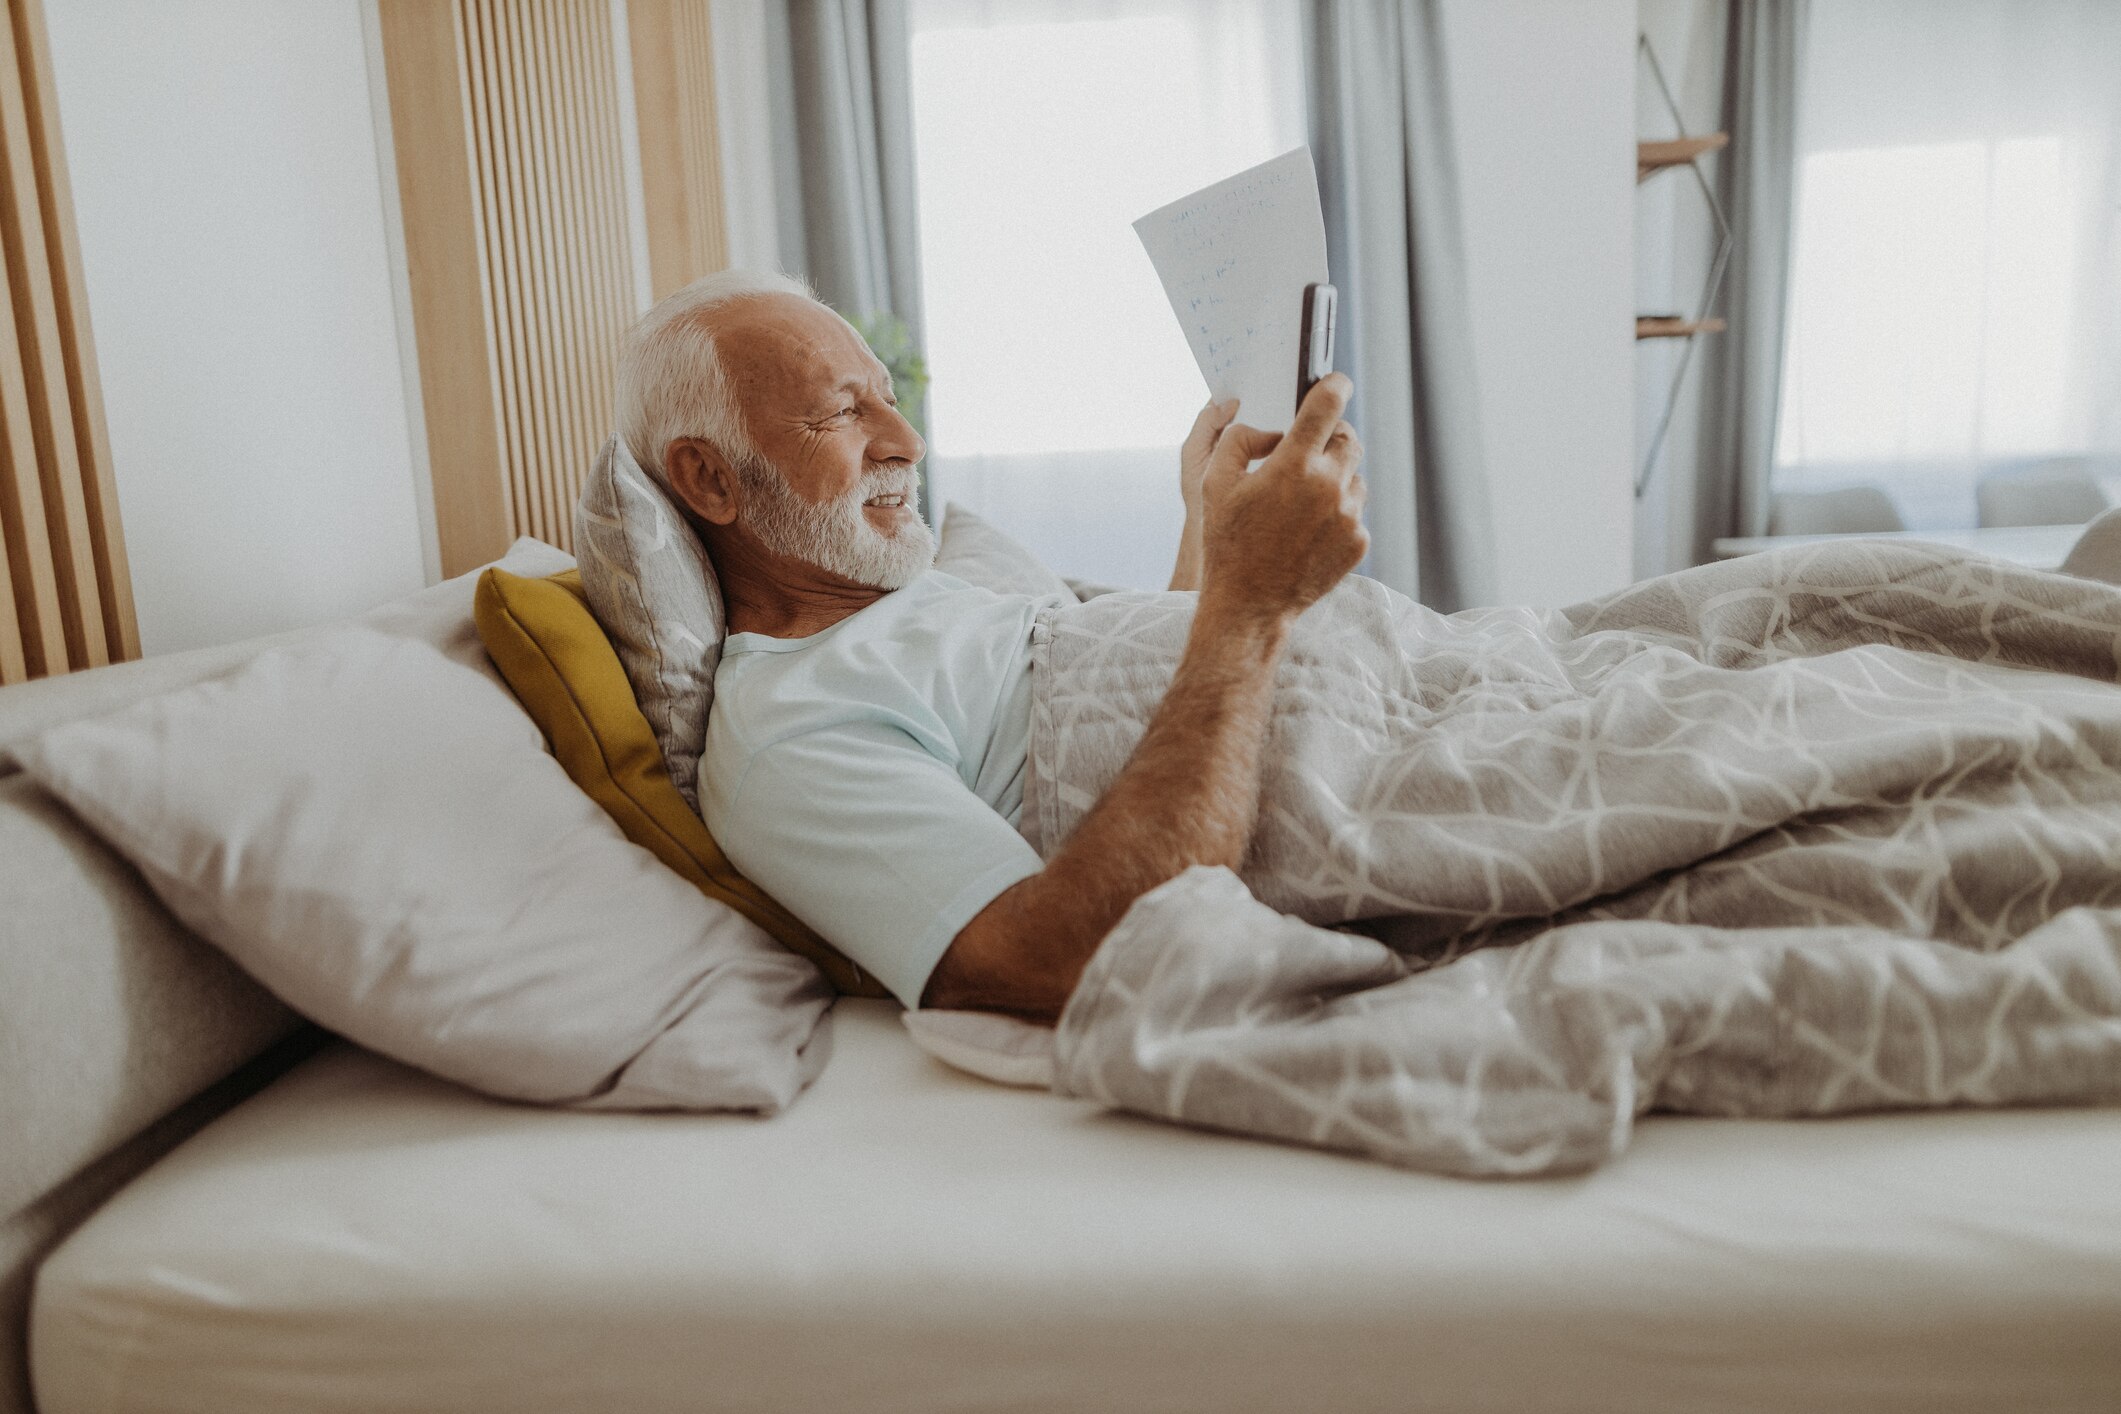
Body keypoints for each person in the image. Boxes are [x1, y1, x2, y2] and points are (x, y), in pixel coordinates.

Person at [615, 269, 1366, 1022]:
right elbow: (1052, 965)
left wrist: (1207, 525)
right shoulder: (790, 733)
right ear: (711, 479)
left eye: (888, 399)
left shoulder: (920, 599)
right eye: (842, 413)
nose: (908, 443)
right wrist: (1252, 607)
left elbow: (1142, 717)